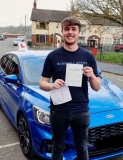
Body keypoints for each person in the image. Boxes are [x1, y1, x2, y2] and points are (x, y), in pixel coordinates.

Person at [39, 16, 101, 160]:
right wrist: (52, 85)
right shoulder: (53, 56)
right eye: (67, 29)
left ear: (79, 32)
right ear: (62, 32)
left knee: (82, 147)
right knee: (58, 146)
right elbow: (42, 83)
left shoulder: (88, 56)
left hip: (81, 111)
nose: (70, 32)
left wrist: (92, 76)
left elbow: (97, 87)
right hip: (59, 110)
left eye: (74, 29)